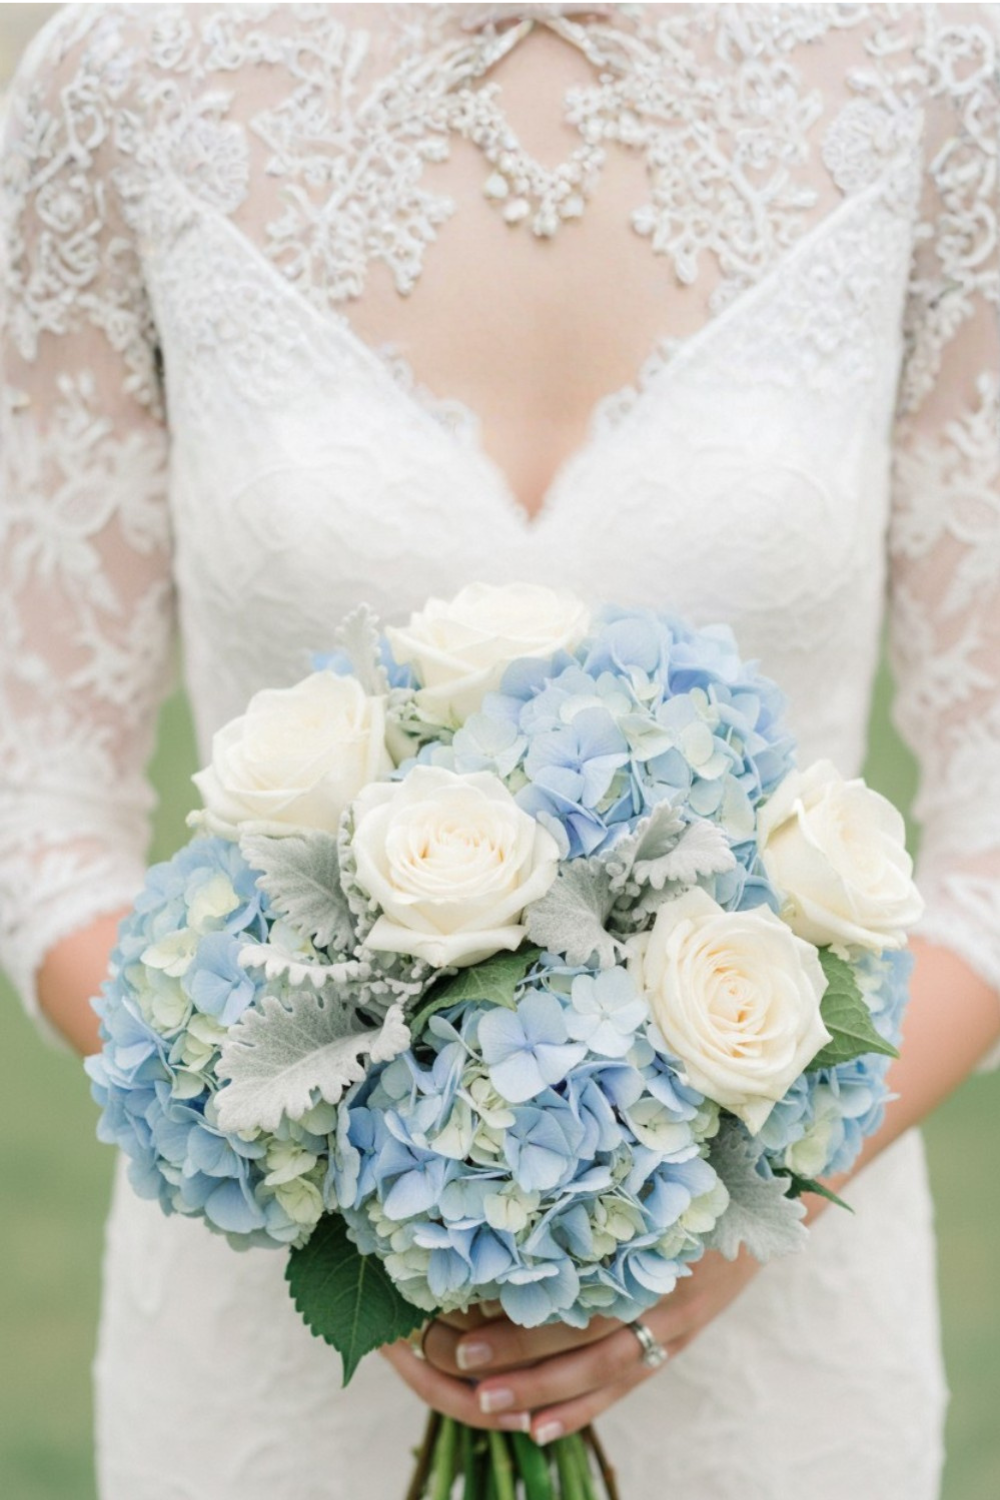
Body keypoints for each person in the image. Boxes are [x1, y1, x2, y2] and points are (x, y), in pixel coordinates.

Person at [0, 3, 998, 1497]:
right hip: (278, 1340)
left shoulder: (934, 72)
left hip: (778, 1342)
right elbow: (38, 791)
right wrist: (354, 1186)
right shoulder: (126, 76)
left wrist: (734, 1207)